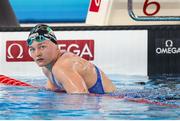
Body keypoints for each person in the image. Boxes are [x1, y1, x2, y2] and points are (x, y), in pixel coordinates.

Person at [27, 24, 116, 94]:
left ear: (56, 47)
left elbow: (81, 101)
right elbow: (52, 92)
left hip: (108, 103)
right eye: (32, 49)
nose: (37, 54)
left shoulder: (62, 67)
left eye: (42, 47)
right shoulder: (47, 68)